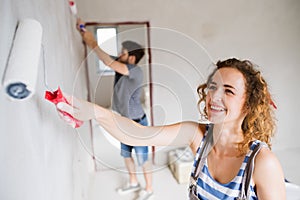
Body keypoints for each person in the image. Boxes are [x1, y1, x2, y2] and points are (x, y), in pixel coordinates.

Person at [57, 58, 286, 199]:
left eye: (228, 91)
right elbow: (137, 135)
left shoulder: (262, 163)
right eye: (212, 87)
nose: (214, 97)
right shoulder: (197, 136)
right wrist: (94, 111)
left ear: (248, 104)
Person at [76, 19, 153, 199]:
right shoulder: (121, 69)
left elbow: (108, 61)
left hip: (138, 124)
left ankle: (149, 189)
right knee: (126, 155)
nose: (120, 54)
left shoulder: (135, 71)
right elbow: (108, 59)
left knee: (143, 159)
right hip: (123, 122)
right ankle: (133, 182)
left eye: (124, 52)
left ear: (132, 58)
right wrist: (83, 33)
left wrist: (92, 42)